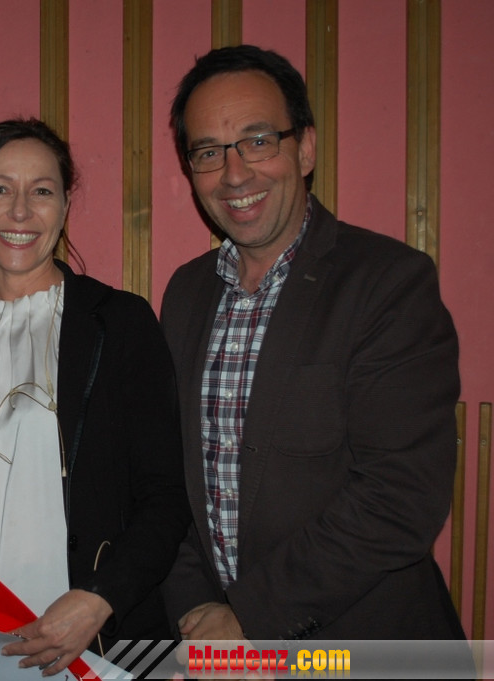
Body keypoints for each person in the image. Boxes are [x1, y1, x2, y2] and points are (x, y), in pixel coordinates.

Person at [160, 45, 464, 641]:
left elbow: (401, 496)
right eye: (209, 152)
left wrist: (250, 616)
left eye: (258, 141)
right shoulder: (186, 293)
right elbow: (176, 481)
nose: (234, 174)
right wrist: (197, 613)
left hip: (363, 647)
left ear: (305, 149)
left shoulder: (387, 282)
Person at [0, 119, 190, 679]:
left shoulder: (120, 324)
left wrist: (100, 598)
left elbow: (167, 495)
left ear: (65, 205)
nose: (20, 211)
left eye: (42, 191)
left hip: (101, 646)